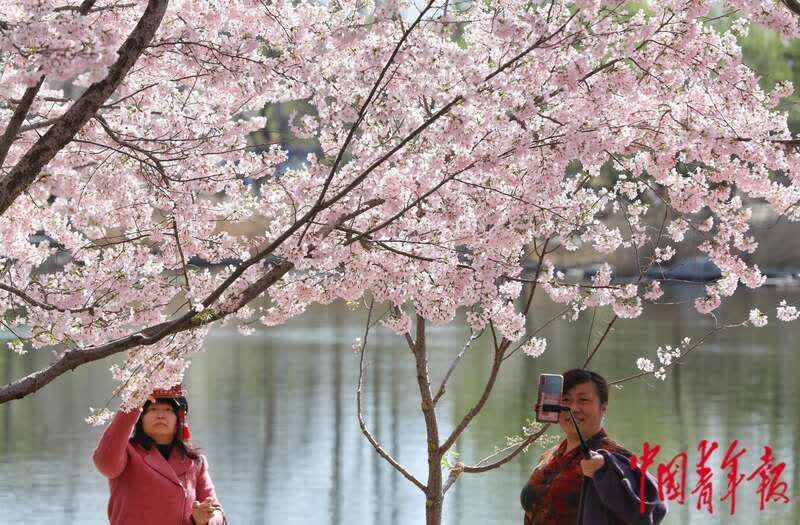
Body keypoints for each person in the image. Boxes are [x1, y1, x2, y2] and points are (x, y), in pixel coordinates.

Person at [520, 369, 666, 525]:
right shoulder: (549, 456)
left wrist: (606, 472)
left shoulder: (614, 458)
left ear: (603, 408)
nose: (574, 408)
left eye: (583, 400)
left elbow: (653, 509)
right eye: (566, 400)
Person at [93, 384, 226, 525]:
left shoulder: (195, 462)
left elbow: (217, 512)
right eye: (153, 409)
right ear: (140, 418)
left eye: (168, 410)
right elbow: (105, 463)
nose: (161, 415)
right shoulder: (125, 453)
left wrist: (205, 519)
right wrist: (133, 403)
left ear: (179, 419)